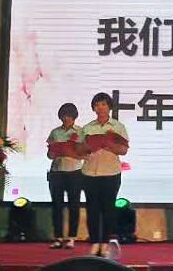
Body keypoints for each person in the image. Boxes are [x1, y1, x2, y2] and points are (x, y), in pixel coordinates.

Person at [77, 92, 129, 256]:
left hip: (111, 172)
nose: (100, 107)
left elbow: (123, 150)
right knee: (92, 209)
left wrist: (108, 144)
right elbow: (78, 150)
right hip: (89, 172)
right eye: (97, 104)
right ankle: (94, 242)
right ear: (93, 108)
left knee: (108, 210)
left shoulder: (118, 127)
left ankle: (105, 243)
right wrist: (88, 146)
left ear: (109, 107)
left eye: (104, 104)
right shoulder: (87, 128)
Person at [46, 103, 83, 249]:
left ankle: (72, 238)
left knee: (74, 205)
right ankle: (58, 237)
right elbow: (49, 154)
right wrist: (53, 152)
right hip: (57, 171)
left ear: (74, 117)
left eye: (69, 116)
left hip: (75, 172)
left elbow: (84, 153)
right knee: (57, 205)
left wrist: (71, 151)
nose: (66, 118)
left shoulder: (80, 132)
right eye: (64, 116)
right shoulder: (55, 132)